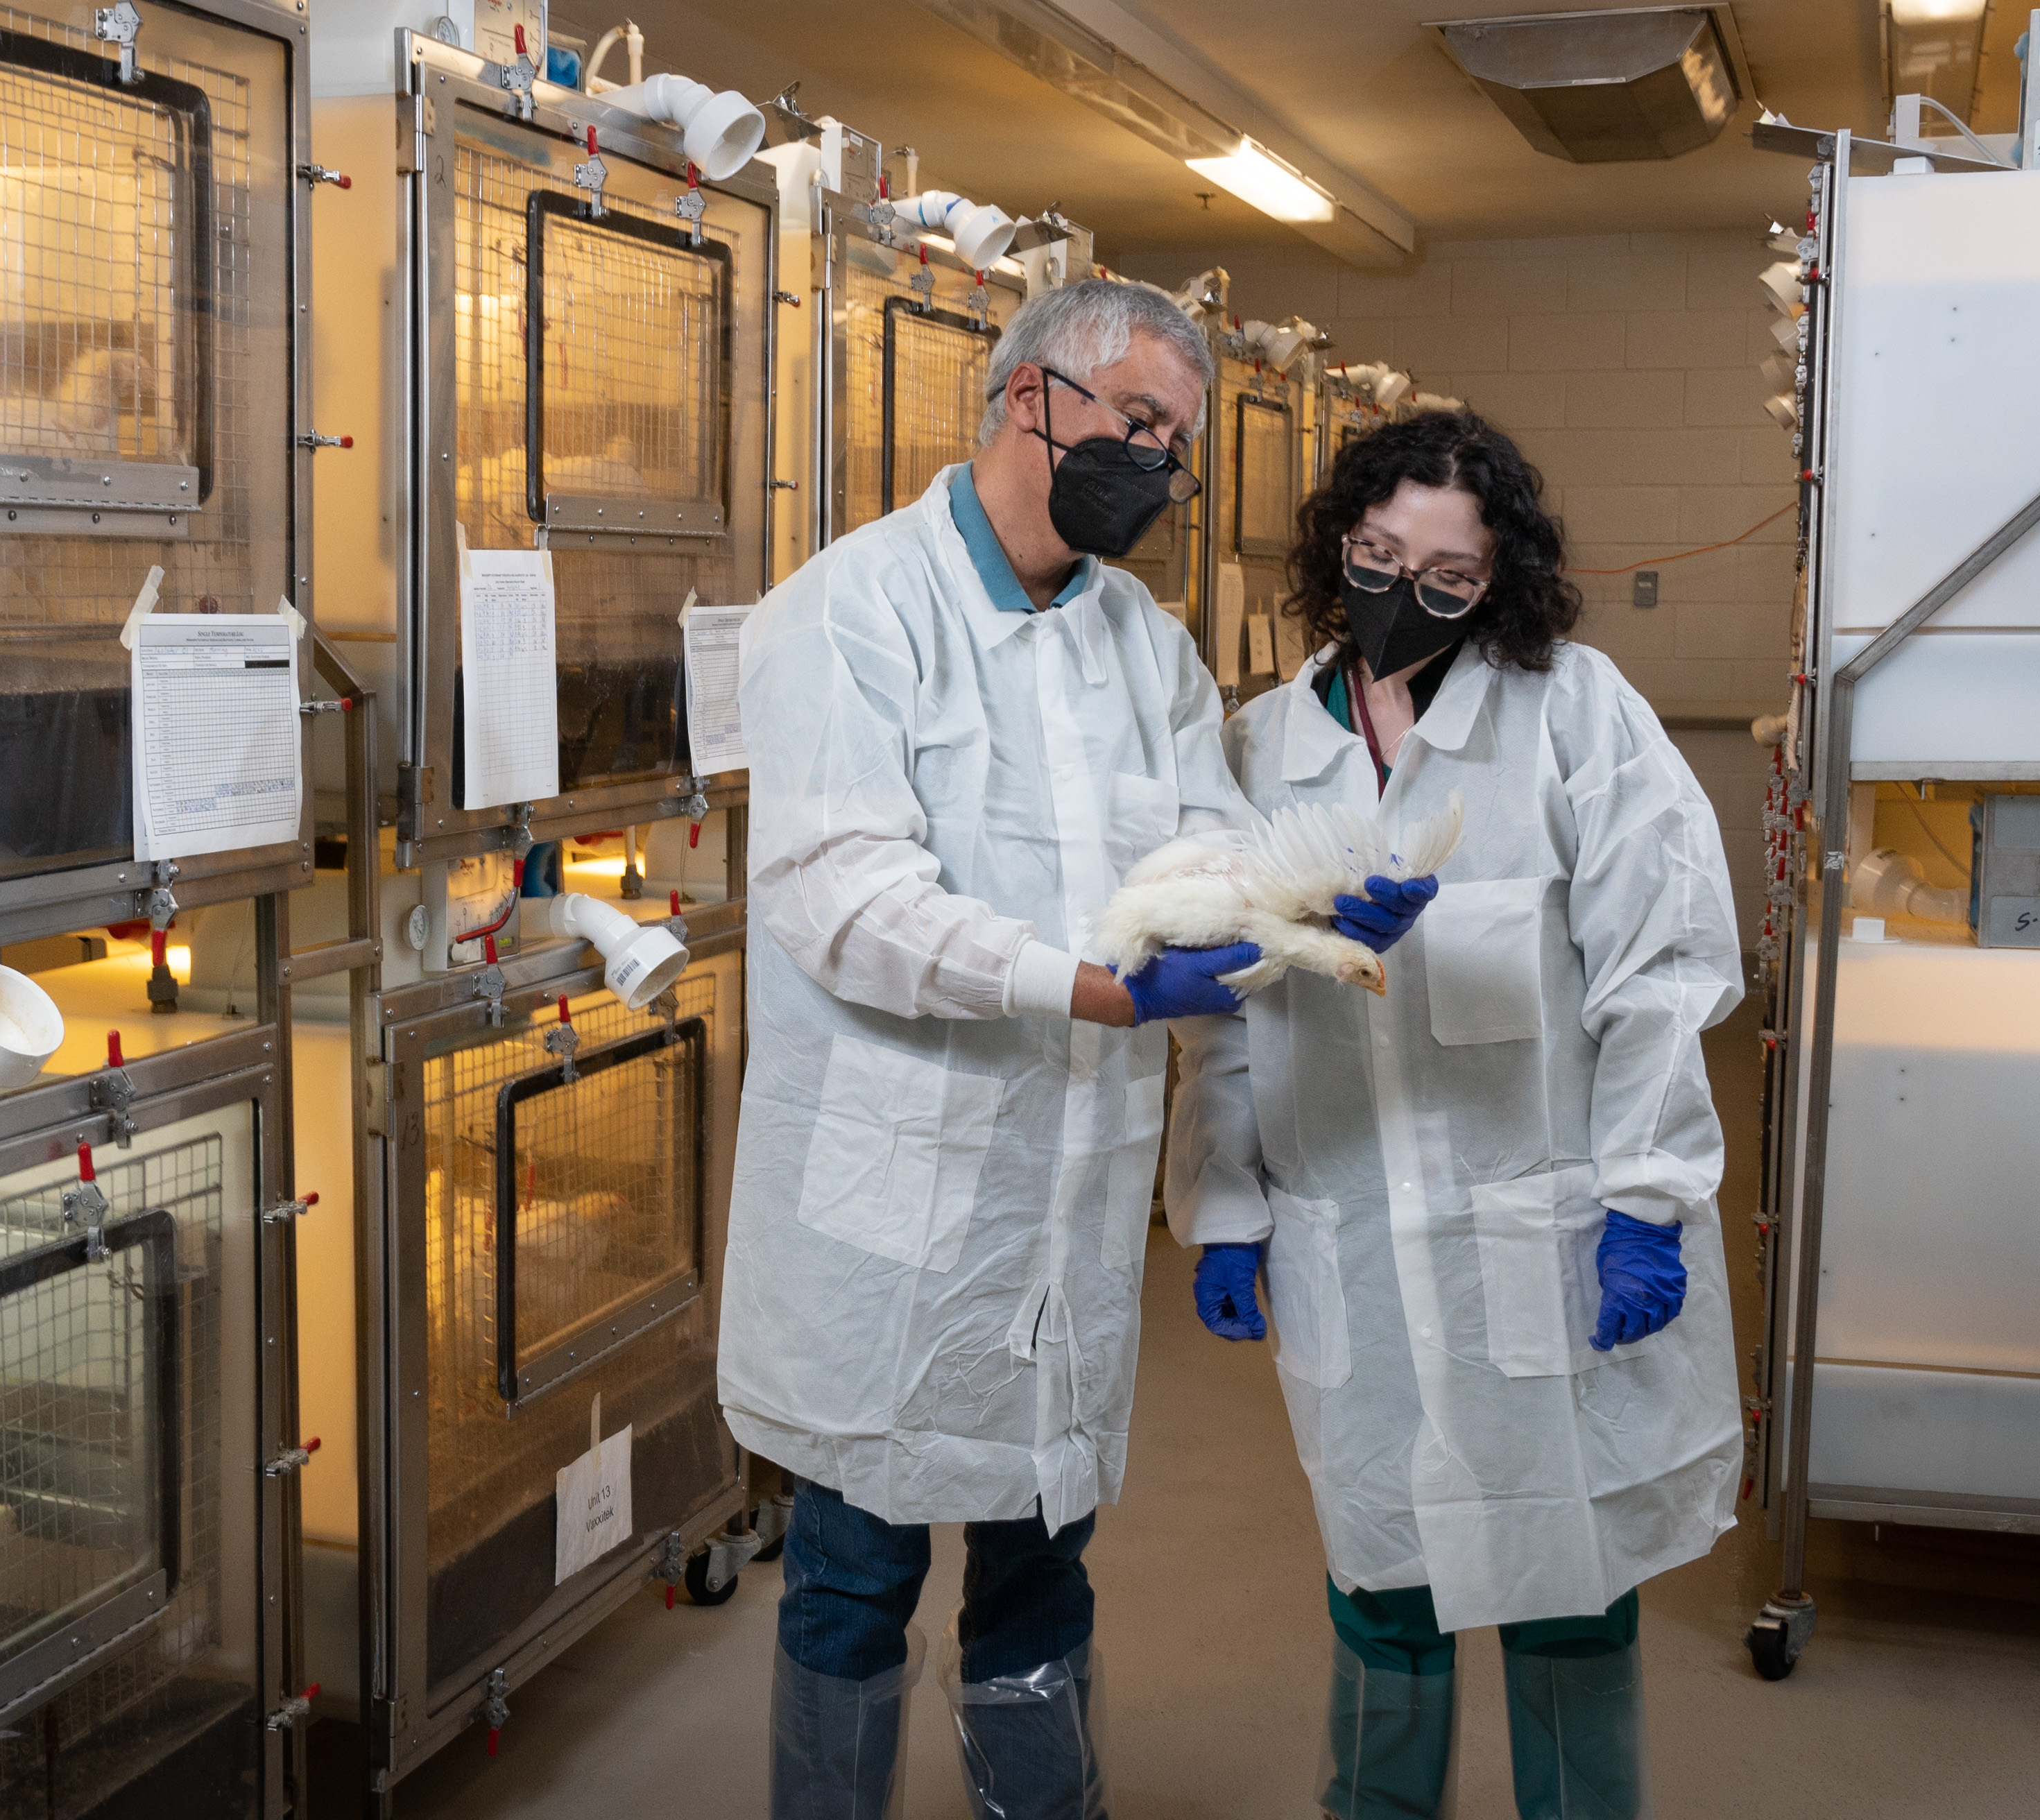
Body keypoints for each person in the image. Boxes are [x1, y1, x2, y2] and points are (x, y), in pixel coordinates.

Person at [719, 278, 1432, 1820]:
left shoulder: (1141, 642)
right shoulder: (854, 609)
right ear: (1030, 395)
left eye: (1178, 443)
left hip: (1062, 1199)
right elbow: (848, 901)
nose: (1161, 466)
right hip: (892, 1210)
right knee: (856, 1568)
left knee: (1042, 1560)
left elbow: (1201, 837)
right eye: (1140, 424)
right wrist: (1081, 987)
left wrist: (1296, 896)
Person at [1165, 411, 1742, 1820]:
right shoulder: (1259, 748)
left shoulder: (1573, 714)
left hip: (1541, 1232)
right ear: (1335, 546)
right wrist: (1228, 1213)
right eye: (1376, 554)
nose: (1400, 592)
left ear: (1501, 581)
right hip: (1348, 1236)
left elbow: (1661, 970)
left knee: (1566, 1588)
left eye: (1446, 575)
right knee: (1384, 1581)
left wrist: (1645, 1200)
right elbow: (1229, 1011)